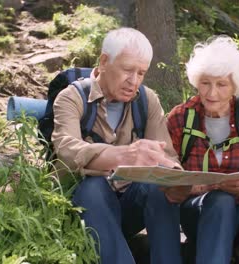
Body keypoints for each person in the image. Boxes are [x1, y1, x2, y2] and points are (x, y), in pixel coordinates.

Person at [51, 27, 190, 264]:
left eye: (141, 73)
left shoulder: (148, 100)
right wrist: (126, 155)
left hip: (128, 208)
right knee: (93, 187)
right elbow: (67, 154)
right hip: (83, 210)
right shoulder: (71, 98)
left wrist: (175, 177)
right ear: (104, 61)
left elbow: (167, 156)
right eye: (127, 70)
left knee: (159, 188)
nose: (133, 81)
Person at [167, 35, 239, 264]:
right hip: (201, 216)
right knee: (220, 200)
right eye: (205, 83)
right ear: (196, 81)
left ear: (234, 86)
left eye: (221, 84)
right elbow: (169, 184)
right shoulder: (180, 117)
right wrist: (212, 185)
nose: (212, 93)